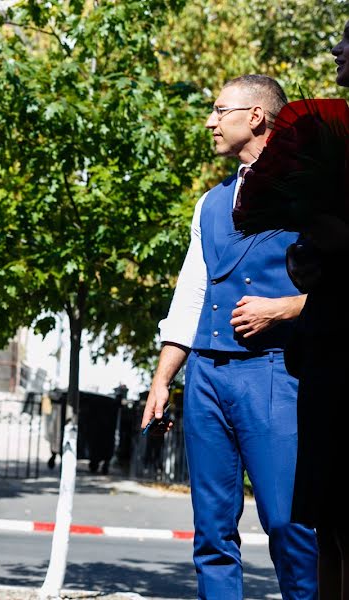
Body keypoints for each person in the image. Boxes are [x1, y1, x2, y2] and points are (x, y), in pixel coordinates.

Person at [143, 74, 318, 599]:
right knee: (212, 532)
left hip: (274, 373)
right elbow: (191, 294)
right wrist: (162, 380)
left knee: (288, 523)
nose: (210, 121)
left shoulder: (312, 190)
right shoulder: (209, 204)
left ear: (257, 117)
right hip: (205, 379)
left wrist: (284, 307)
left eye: (221, 111)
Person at [289, 20, 349, 598]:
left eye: (348, 38)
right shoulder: (334, 138)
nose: (336, 48)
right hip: (326, 350)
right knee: (326, 522)